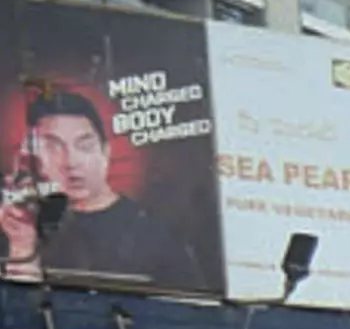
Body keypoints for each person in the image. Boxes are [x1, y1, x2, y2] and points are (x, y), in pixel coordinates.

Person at [1, 85, 214, 293]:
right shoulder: (22, 226)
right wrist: (22, 246)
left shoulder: (156, 235)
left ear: (106, 152)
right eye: (54, 147)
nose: (71, 162)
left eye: (85, 146)